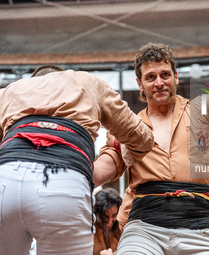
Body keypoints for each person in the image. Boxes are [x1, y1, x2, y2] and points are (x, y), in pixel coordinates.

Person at [94, 21, 209, 254]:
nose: (159, 82)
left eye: (165, 74)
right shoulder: (128, 126)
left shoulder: (205, 109)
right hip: (144, 228)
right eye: (150, 77)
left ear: (176, 77)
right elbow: (105, 165)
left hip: (198, 227)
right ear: (140, 84)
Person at [0, 65, 154, 255]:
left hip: (5, 180)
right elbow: (142, 138)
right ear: (64, 76)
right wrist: (116, 151)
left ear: (33, 81)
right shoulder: (88, 82)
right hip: (64, 181)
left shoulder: (9, 91)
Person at [93, 188, 122, 255]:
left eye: (114, 215)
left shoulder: (121, 228)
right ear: (96, 213)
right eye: (105, 216)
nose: (110, 221)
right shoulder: (89, 230)